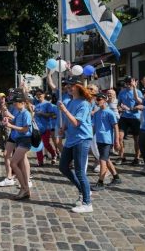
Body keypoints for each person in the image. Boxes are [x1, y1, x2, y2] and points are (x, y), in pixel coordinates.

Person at [57, 77, 94, 213]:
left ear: (78, 87)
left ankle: (87, 203)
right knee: (63, 167)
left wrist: (64, 110)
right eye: (67, 86)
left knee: (79, 171)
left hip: (82, 139)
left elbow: (77, 123)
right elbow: (69, 120)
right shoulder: (72, 101)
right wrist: (63, 128)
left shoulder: (84, 104)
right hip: (72, 139)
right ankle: (84, 191)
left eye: (71, 86)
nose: (68, 88)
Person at [2, 94, 33, 200]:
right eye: (14, 103)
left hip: (25, 140)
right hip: (19, 140)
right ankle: (25, 190)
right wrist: (8, 121)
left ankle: (24, 188)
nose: (14, 104)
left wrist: (11, 126)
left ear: (23, 103)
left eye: (16, 102)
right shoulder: (19, 113)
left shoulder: (26, 113)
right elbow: (15, 123)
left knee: (13, 163)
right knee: (19, 165)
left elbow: (25, 129)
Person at [91, 93, 121, 191]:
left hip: (106, 140)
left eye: (99, 99)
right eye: (96, 100)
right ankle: (116, 177)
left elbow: (115, 127)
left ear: (104, 100)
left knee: (102, 161)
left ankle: (100, 182)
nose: (97, 101)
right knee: (106, 159)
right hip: (99, 140)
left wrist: (116, 140)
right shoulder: (97, 113)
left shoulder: (110, 113)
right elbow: (94, 127)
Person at [117, 76, 143, 166]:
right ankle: (122, 157)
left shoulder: (138, 92)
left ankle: (137, 158)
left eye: (129, 82)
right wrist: (120, 108)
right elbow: (119, 104)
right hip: (124, 117)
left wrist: (130, 108)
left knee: (137, 139)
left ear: (133, 82)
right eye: (126, 82)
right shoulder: (122, 92)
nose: (128, 84)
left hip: (135, 117)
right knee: (120, 137)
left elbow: (141, 105)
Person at [33, 89, 56, 166]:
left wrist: (42, 113)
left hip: (46, 127)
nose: (38, 96)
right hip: (37, 128)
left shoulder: (47, 104)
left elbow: (52, 115)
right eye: (37, 95)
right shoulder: (36, 104)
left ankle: (53, 154)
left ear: (44, 95)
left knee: (46, 144)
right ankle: (40, 162)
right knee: (38, 145)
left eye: (40, 94)